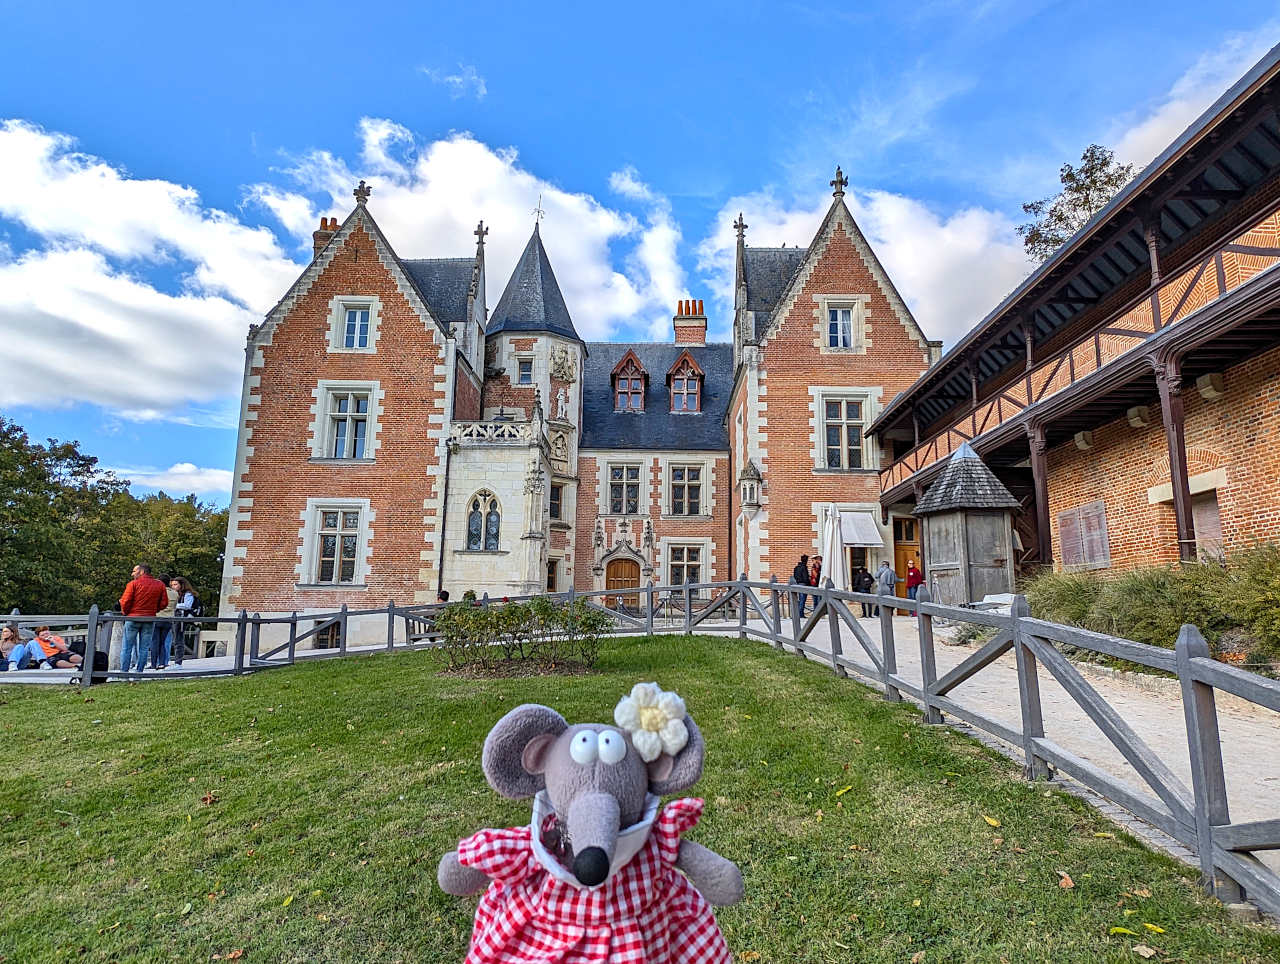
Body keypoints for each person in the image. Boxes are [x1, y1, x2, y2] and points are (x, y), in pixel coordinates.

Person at [119, 564, 169, 674]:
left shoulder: (133, 584)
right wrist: (153, 610)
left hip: (133, 618)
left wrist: (126, 612)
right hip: (149, 619)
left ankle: (123, 672)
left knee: (127, 647)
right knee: (144, 647)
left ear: (141, 572)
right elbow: (164, 603)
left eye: (134, 571)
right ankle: (139, 672)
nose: (132, 574)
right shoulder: (160, 585)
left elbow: (125, 601)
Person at [150, 573, 178, 670]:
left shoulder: (157, 592)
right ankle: (162, 662)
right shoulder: (175, 593)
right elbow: (174, 607)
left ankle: (154, 664)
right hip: (168, 619)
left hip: (157, 618)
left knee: (154, 642)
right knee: (162, 642)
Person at [170, 577, 198, 667]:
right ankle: (176, 661)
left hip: (181, 619)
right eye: (172, 585)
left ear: (181, 585)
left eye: (175, 584)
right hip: (175, 618)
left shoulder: (187, 594)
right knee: (175, 640)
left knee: (178, 640)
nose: (173, 587)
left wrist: (174, 605)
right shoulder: (177, 594)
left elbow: (187, 605)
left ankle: (178, 662)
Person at [791, 554, 812, 619]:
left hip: (797, 584)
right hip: (803, 584)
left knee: (800, 600)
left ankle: (798, 613)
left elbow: (795, 576)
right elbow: (805, 577)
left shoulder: (796, 568)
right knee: (802, 600)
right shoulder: (804, 567)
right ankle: (800, 614)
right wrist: (809, 584)